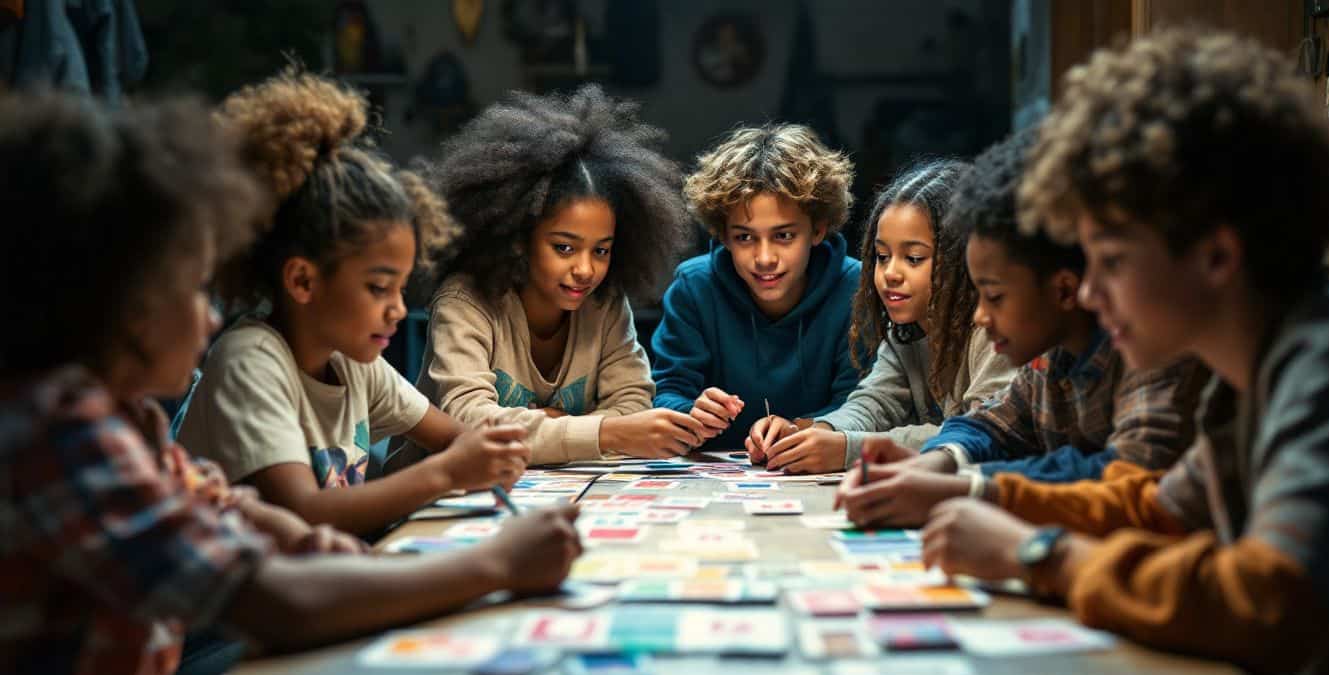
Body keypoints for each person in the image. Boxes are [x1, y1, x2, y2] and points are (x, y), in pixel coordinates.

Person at [0, 88, 581, 675]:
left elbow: (241, 513)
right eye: (191, 288)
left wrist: (383, 569)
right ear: (119, 302)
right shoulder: (59, 430)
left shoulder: (121, 420)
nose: (210, 315)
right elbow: (275, 599)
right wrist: (493, 564)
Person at [916, 28, 1329, 675]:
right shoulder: (1254, 373)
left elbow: (1267, 600)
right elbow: (1155, 509)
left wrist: (1039, 553)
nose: (1086, 291)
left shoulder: (1325, 365)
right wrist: (976, 497)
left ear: (1216, 255)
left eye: (1110, 260)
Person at [177, 70, 528, 537]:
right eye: (379, 288)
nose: (399, 310)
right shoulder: (251, 362)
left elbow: (453, 436)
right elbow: (304, 514)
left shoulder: (353, 360)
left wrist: (488, 450)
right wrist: (448, 473)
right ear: (303, 280)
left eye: (402, 289)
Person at [836, 128, 1206, 527]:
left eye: (993, 296)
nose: (1093, 290)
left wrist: (973, 487)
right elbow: (992, 425)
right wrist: (936, 463)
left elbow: (1131, 474)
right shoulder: (1049, 357)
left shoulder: (1154, 349)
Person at [400, 84, 700, 465]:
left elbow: (633, 402)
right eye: (564, 247)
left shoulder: (604, 302)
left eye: (601, 250)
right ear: (520, 239)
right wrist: (601, 432)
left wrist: (547, 430)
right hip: (437, 502)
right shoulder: (466, 301)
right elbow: (470, 422)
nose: (585, 269)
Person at [747, 159, 1016, 473]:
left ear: (965, 258)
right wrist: (815, 432)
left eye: (913, 258)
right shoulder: (906, 327)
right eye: (882, 256)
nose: (890, 273)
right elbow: (875, 402)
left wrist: (852, 449)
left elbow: (982, 433)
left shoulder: (993, 327)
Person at [652, 123, 866, 453]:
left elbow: (864, 405)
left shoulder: (855, 288)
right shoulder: (693, 287)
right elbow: (667, 391)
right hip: (708, 476)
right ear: (722, 235)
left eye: (783, 236)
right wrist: (691, 411)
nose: (764, 258)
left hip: (812, 471)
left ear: (819, 229)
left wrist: (799, 429)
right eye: (745, 237)